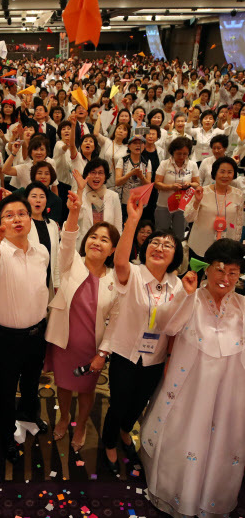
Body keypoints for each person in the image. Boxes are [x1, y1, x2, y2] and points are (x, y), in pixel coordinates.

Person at [141, 239, 245, 518]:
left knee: (222, 443)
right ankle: (178, 495)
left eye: (233, 273)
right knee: (185, 438)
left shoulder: (242, 305)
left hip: (229, 393)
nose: (225, 279)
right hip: (190, 390)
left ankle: (211, 498)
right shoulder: (191, 296)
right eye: (219, 270)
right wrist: (185, 296)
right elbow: (166, 325)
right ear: (206, 269)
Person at [100, 194, 184, 475]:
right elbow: (120, 259)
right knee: (119, 401)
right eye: (155, 243)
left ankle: (126, 431)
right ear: (146, 248)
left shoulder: (179, 285)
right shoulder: (133, 274)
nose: (159, 248)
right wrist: (132, 221)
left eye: (167, 245)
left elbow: (178, 325)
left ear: (176, 255)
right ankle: (109, 442)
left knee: (140, 402)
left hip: (155, 358)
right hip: (126, 353)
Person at [0, 193, 49, 463]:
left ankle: (29, 415)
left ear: (30, 219)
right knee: (6, 391)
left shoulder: (41, 251)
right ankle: (6, 436)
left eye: (22, 213)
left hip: (37, 332)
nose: (17, 219)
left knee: (32, 383)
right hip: (6, 337)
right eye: (9, 215)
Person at [45, 190, 119, 451]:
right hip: (64, 343)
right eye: (93, 237)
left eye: (105, 240)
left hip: (92, 348)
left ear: (113, 249)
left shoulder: (115, 281)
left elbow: (117, 322)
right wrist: (74, 213)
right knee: (64, 386)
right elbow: (67, 241)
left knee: (87, 391)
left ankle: (82, 422)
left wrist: (103, 353)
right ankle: (64, 418)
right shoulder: (71, 264)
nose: (97, 242)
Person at [184, 157, 243, 263]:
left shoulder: (239, 195)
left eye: (230, 172)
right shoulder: (202, 192)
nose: (225, 176)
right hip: (200, 245)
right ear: (215, 173)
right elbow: (188, 218)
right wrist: (197, 202)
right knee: (195, 276)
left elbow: (239, 222)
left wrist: (235, 244)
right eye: (222, 172)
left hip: (226, 247)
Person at [154, 136, 200, 241]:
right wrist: (171, 186)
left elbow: (197, 184)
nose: (182, 156)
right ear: (173, 151)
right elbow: (157, 183)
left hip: (183, 205)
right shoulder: (164, 164)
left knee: (179, 235)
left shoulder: (192, 165)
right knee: (161, 233)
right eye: (179, 153)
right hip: (164, 204)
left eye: (185, 154)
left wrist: (190, 184)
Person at [73, 160, 122, 248]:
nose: (96, 176)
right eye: (93, 172)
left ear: (105, 176)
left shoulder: (113, 196)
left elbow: (118, 226)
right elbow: (75, 219)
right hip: (82, 245)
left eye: (100, 173)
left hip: (105, 246)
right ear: (86, 175)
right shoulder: (79, 195)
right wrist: (80, 190)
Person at [25, 182, 60, 295]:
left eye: (42, 197)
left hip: (48, 278)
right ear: (26, 200)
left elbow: (56, 255)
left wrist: (57, 283)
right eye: (34, 196)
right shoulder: (22, 224)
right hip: (27, 282)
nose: (38, 200)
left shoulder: (52, 225)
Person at [115, 134, 152, 220]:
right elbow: (117, 181)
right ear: (129, 146)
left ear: (144, 146)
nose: (138, 145)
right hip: (124, 200)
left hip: (140, 202)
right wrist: (130, 174)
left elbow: (148, 185)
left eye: (141, 143)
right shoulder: (123, 160)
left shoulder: (146, 162)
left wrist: (141, 176)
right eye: (135, 143)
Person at [98, 122, 129, 190]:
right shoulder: (106, 141)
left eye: (124, 130)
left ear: (127, 135)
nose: (121, 131)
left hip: (115, 185)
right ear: (115, 131)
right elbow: (95, 133)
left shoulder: (127, 150)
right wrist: (99, 116)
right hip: (100, 179)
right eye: (119, 128)